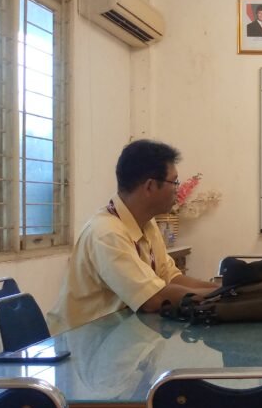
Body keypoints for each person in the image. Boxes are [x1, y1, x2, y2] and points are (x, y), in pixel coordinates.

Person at [47, 140, 218, 333]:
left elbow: (171, 278)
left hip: (119, 335)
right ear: (150, 186)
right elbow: (153, 299)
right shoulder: (106, 232)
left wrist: (223, 289)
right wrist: (220, 296)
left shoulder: (147, 223)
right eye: (174, 182)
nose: (177, 190)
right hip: (83, 343)